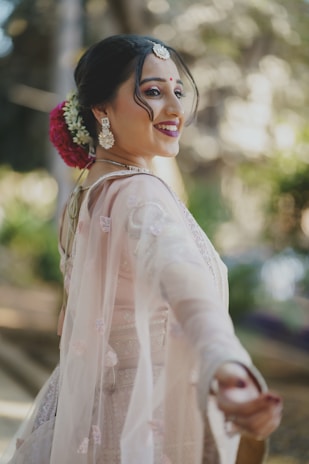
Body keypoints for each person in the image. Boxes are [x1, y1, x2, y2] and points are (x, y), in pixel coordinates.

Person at [5, 34, 282, 464]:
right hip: (147, 429)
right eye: (152, 92)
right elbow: (182, 280)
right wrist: (225, 362)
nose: (174, 109)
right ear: (101, 109)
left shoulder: (85, 196)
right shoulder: (139, 194)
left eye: (178, 91)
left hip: (95, 419)